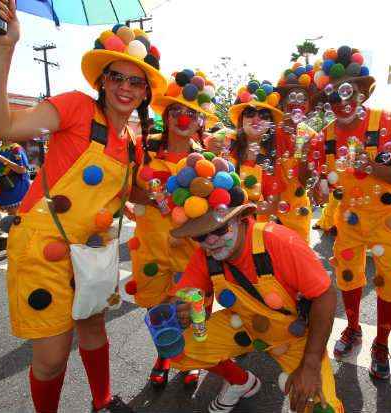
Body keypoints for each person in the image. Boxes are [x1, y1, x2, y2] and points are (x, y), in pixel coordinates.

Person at [0, 1, 167, 411]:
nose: (126, 88)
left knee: (95, 326)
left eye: (137, 82)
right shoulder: (75, 108)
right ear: (103, 79)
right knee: (52, 357)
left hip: (93, 252)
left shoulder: (133, 143)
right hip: (44, 245)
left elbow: (131, 191)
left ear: (146, 92)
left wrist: (171, 195)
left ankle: (102, 402)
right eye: (118, 77)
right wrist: (3, 48)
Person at [162, 162, 342, 413]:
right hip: (244, 326)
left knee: (321, 408)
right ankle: (241, 382)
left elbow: (324, 295)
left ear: (240, 219)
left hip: (296, 338)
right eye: (200, 236)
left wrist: (310, 364)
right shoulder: (205, 256)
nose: (211, 241)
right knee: (179, 348)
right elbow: (182, 295)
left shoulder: (279, 241)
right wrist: (178, 309)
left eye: (220, 227)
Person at [312, 46, 391, 380]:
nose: (341, 102)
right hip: (349, 219)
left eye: (348, 92)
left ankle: (381, 342)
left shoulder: (389, 122)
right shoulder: (324, 137)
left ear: (361, 92)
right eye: (333, 97)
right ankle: (353, 328)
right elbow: (317, 189)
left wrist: (370, 166)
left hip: (389, 218)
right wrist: (318, 189)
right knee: (348, 276)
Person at [125, 68, 218, 389]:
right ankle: (165, 356)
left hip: (190, 251)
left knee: (191, 308)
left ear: (200, 120)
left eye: (190, 112)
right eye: (176, 110)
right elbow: (127, 191)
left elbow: (214, 213)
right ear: (166, 114)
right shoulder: (144, 149)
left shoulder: (206, 161)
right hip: (150, 246)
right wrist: (153, 195)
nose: (183, 118)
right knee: (160, 309)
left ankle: (188, 359)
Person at [225, 79, 285, 221]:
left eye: (264, 115)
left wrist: (240, 210)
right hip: (224, 230)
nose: (256, 119)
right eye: (250, 113)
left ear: (270, 125)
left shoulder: (270, 159)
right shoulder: (226, 147)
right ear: (242, 119)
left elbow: (273, 205)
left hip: (256, 232)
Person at [274, 65, 320, 242]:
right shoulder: (269, 132)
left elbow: (306, 181)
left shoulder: (311, 136)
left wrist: (304, 154)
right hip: (268, 210)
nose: (297, 102)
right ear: (283, 102)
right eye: (292, 96)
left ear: (308, 106)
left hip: (297, 211)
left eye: (303, 99)